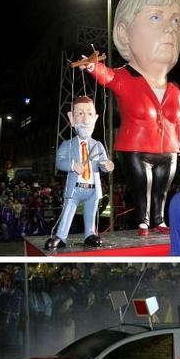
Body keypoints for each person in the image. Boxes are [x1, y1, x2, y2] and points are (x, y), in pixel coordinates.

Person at [81, 0, 180, 236]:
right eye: (155, 16)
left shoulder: (174, 89)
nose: (170, 29)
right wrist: (92, 66)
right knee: (144, 188)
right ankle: (142, 220)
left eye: (176, 22)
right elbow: (107, 76)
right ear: (123, 33)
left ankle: (159, 219)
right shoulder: (126, 79)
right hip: (135, 149)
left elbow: (179, 120)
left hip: (169, 150)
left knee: (162, 189)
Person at [45, 96, 115, 249]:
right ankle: (61, 236)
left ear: (95, 118)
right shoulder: (68, 144)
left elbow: (103, 163)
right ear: (71, 117)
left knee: (91, 213)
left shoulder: (98, 145)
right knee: (68, 211)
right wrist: (72, 165)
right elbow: (59, 162)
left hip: (92, 189)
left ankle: (89, 234)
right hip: (75, 187)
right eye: (80, 114)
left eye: (89, 114)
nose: (85, 120)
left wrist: (107, 166)